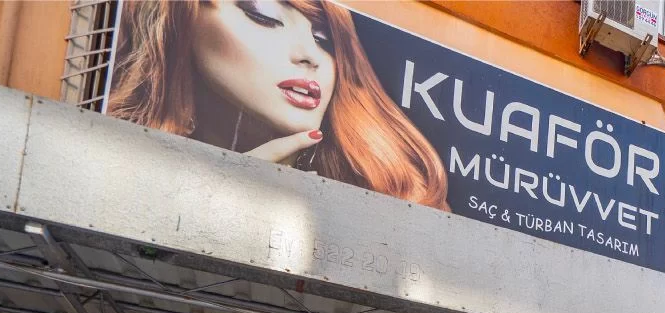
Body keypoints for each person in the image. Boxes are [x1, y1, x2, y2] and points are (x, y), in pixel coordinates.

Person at [108, 0, 448, 209]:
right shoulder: (118, 159)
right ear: (181, 16)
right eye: (264, 16)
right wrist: (222, 200)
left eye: (323, 40)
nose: (309, 55)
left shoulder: (384, 191)